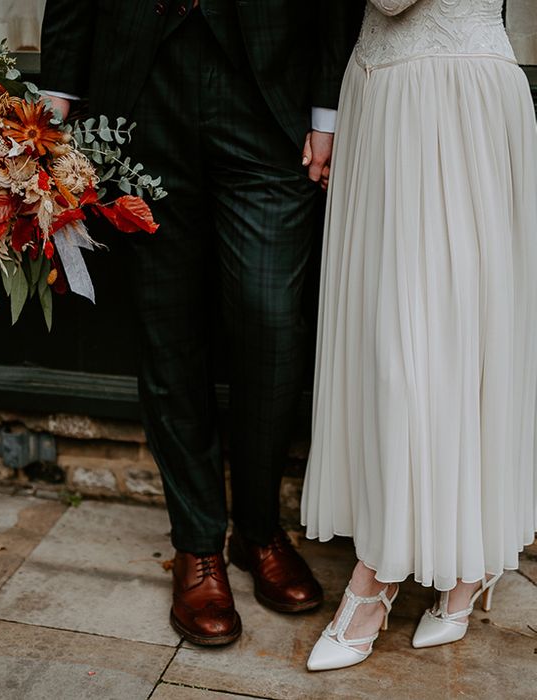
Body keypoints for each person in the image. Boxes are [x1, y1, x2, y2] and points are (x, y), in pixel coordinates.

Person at [40, 1, 362, 645]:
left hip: (268, 94)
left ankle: (260, 530)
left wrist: (327, 108)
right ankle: (197, 546)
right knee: (169, 332)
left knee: (272, 325)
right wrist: (56, 96)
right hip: (138, 94)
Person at [302, 0, 537, 671]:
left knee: (443, 344)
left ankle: (379, 581)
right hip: (384, 93)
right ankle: (460, 562)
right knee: (395, 343)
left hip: (451, 101)